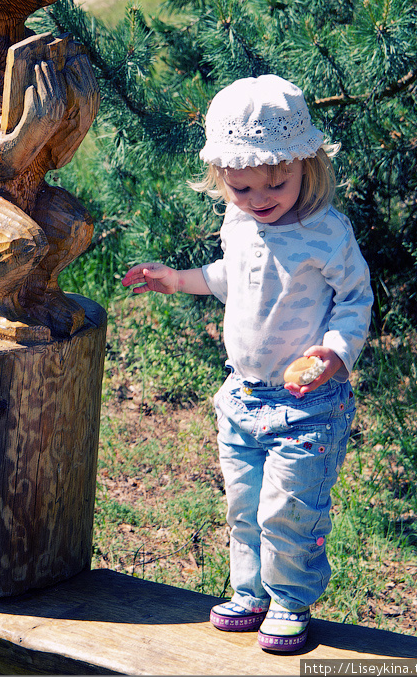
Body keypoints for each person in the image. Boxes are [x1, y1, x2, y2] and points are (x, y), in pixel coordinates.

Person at [121, 75, 373, 652]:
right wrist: (175, 280)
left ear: (305, 165)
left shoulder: (325, 232)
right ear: (222, 180)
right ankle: (252, 591)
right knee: (244, 504)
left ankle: (289, 600)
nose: (260, 198)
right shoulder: (239, 223)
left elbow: (356, 299)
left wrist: (333, 352)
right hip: (243, 398)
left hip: (306, 407)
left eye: (275, 182)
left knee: (290, 509)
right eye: (241, 188)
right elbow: (228, 279)